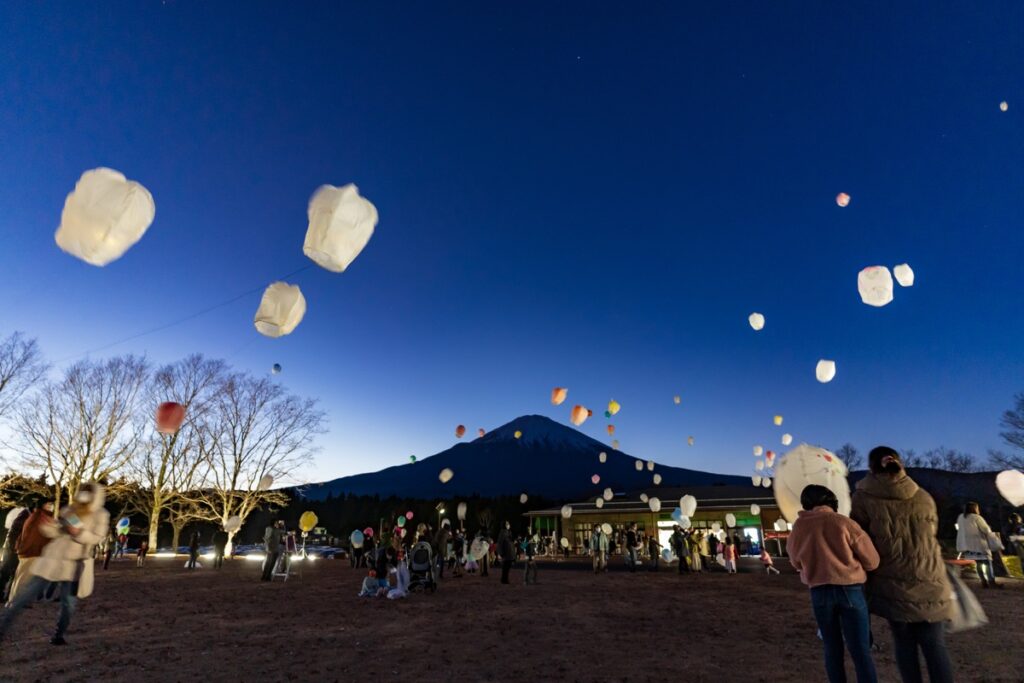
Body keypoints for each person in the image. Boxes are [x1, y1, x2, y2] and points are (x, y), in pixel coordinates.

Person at [851, 446, 954, 683]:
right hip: (930, 577)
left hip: (892, 581)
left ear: (872, 466)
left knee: (904, 645)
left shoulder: (863, 498)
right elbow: (931, 534)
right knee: (935, 646)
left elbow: (860, 539)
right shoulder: (923, 496)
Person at [787, 484, 880, 683]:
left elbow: (795, 561)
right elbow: (872, 561)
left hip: (819, 591)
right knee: (860, 650)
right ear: (831, 501)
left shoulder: (799, 527)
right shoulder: (844, 523)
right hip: (850, 589)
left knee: (832, 648)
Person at [0, 482, 109, 646]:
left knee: (68, 604)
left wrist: (79, 532)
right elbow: (57, 530)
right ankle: (2, 629)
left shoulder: (100, 515)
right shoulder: (71, 509)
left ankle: (59, 635)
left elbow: (96, 538)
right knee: (24, 595)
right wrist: (49, 527)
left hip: (74, 565)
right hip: (52, 561)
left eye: (88, 492)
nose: (84, 495)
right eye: (83, 491)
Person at [7, 497, 54, 605]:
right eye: (49, 504)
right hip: (31, 551)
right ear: (43, 505)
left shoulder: (36, 516)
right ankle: (16, 601)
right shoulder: (40, 517)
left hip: (28, 551)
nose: (51, 507)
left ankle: (14, 600)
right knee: (23, 578)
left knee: (21, 577)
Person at [956, 502, 1001, 589]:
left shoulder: (961, 517)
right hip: (979, 543)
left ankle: (983, 581)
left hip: (968, 544)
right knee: (987, 562)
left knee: (978, 563)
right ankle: (991, 581)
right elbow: (986, 529)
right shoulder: (977, 517)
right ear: (974, 508)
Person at [0, 501, 30, 603]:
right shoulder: (26, 515)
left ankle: (8, 595)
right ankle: (9, 596)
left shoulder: (18, 513)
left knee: (8, 572)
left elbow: (7, 527)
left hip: (14, 547)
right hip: (15, 547)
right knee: (10, 572)